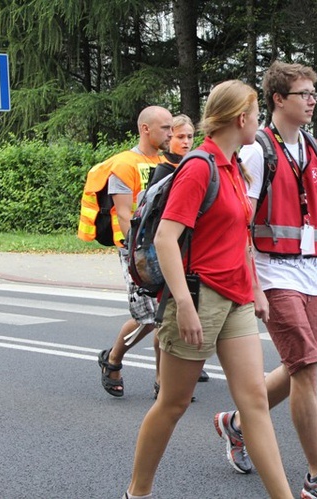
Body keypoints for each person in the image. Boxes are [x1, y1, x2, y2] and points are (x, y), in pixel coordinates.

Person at [123, 80, 293, 499]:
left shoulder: (236, 167)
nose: (258, 123)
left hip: (234, 300)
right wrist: (182, 303)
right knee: (173, 404)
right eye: (255, 115)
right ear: (241, 118)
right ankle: (137, 492)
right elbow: (165, 238)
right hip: (198, 299)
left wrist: (254, 289)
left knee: (254, 402)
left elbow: (239, 236)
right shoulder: (201, 166)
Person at [213, 61, 317, 498]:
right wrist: (254, 285)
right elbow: (240, 220)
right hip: (270, 270)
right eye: (304, 93)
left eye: (314, 92)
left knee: (301, 367)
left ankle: (235, 424)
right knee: (307, 367)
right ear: (279, 99)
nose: (313, 99)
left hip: (309, 273)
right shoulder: (257, 149)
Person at [97, 105, 173, 398]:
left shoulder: (169, 162)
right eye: (165, 128)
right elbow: (124, 214)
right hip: (137, 253)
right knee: (148, 317)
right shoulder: (124, 165)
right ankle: (113, 359)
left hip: (165, 248)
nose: (170, 132)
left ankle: (162, 381)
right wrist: (140, 255)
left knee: (166, 315)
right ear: (146, 129)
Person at [148, 114, 211, 399]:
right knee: (164, 319)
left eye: (189, 136)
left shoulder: (194, 164)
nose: (186, 142)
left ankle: (187, 364)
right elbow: (158, 223)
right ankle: (162, 378)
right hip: (171, 253)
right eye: (180, 137)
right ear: (169, 140)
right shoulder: (164, 171)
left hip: (193, 251)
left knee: (184, 313)